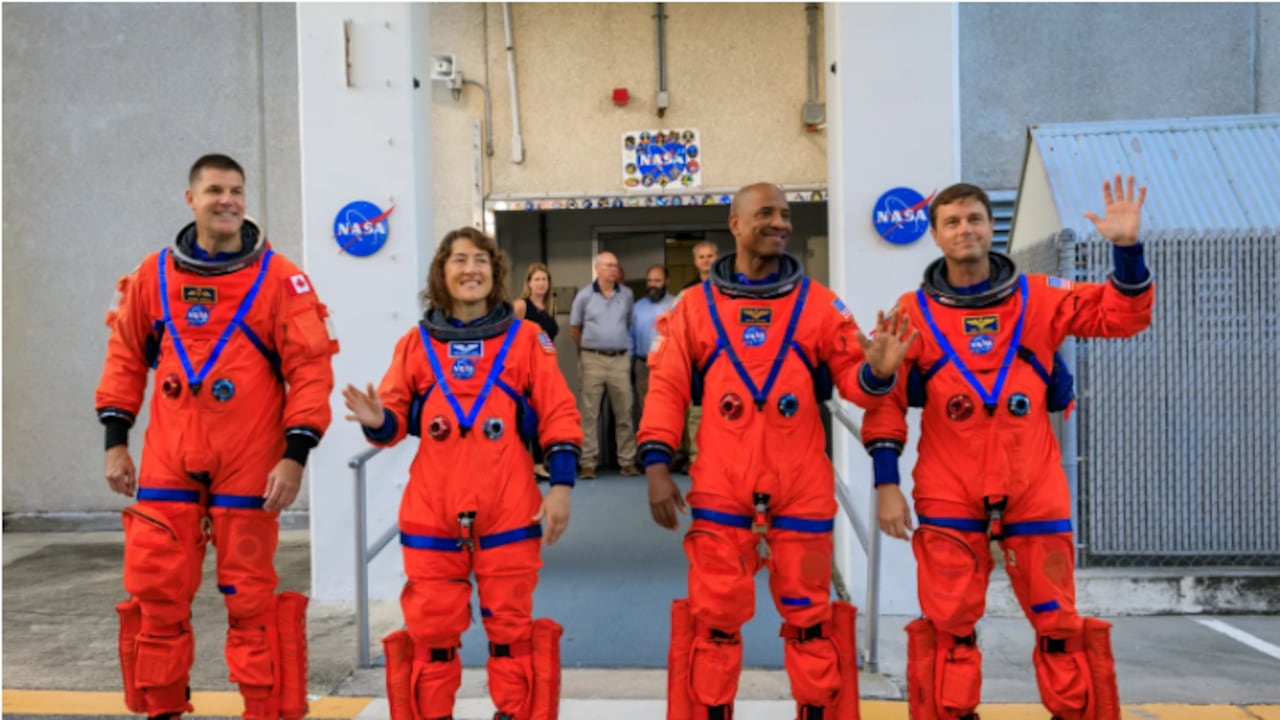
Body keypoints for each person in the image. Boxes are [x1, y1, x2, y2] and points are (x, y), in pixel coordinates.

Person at [861, 176, 1153, 720]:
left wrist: (1127, 249)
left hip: (1032, 484)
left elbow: (1122, 315)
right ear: (936, 235)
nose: (965, 229)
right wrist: (886, 486)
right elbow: (886, 402)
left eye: (974, 218)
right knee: (950, 626)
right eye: (951, 221)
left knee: (1058, 622)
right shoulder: (911, 311)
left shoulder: (1040, 297)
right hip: (950, 487)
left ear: (989, 226)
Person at [638, 182, 915, 720]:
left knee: (810, 620)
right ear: (734, 224)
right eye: (766, 213)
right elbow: (668, 389)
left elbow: (852, 383)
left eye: (786, 215)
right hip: (721, 482)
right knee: (715, 622)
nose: (780, 223)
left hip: (801, 486)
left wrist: (878, 372)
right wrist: (655, 466)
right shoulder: (695, 307)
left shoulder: (820, 304)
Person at [96, 154, 339, 720]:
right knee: (156, 595)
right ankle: (161, 710)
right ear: (191, 199)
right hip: (168, 457)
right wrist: (115, 440)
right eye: (214, 190)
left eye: (235, 190)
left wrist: (295, 454)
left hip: (250, 462)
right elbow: (125, 359)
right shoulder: (151, 276)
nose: (226, 200)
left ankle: (263, 710)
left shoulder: (283, 279)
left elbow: (310, 370)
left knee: (251, 600)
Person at [342, 227, 582, 720]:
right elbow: (393, 420)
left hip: (509, 507)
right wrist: (376, 421)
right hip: (433, 510)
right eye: (458, 260)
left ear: (494, 273)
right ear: (441, 273)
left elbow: (559, 415)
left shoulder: (526, 340)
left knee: (511, 635)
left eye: (480, 260)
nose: (470, 269)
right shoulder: (415, 344)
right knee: (431, 638)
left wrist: (560, 487)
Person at [569, 251, 640, 478]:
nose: (613, 270)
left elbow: (628, 323)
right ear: (597, 268)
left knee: (625, 412)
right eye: (608, 266)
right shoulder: (584, 296)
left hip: (619, 359)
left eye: (615, 266)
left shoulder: (627, 295)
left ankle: (627, 461)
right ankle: (588, 463)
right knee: (589, 414)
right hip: (592, 359)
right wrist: (589, 348)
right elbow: (574, 328)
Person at [674, 240, 720, 471]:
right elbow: (675, 328)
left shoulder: (730, 288)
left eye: (710, 256)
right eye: (701, 257)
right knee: (697, 413)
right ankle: (697, 459)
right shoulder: (686, 294)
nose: (706, 260)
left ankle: (724, 459)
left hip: (726, 361)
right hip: (698, 362)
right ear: (695, 262)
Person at [514, 262, 560, 479]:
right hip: (524, 368)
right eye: (537, 280)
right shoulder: (521, 306)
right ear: (529, 283)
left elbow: (548, 339)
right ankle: (522, 463)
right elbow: (509, 338)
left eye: (544, 279)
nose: (541, 284)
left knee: (543, 415)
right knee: (525, 416)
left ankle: (540, 463)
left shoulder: (552, 307)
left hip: (545, 368)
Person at [630, 263, 676, 419]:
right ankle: (646, 442)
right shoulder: (637, 307)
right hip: (643, 365)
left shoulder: (677, 305)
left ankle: (672, 443)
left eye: (657, 281)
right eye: (649, 281)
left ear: (667, 281)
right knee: (644, 408)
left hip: (668, 365)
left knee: (669, 406)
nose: (652, 285)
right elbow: (630, 337)